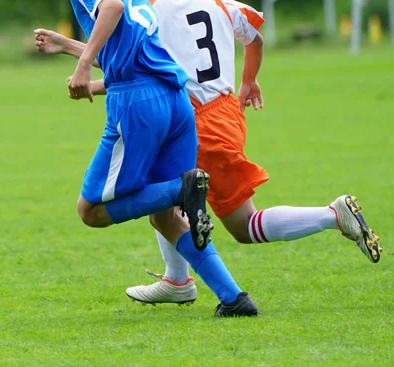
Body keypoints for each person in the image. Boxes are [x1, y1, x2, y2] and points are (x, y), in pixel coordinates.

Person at [36, 0, 382, 314]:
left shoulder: (158, 9)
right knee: (160, 209)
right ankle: (179, 282)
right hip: (225, 110)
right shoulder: (220, 2)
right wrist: (249, 82)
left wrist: (88, 77)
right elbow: (255, 39)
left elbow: (142, 58)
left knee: (239, 223)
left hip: (197, 113)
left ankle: (331, 215)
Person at [36, 0, 259, 317]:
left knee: (90, 211)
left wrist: (83, 62)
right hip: (176, 99)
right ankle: (234, 298)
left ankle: (182, 190)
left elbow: (111, 6)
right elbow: (123, 48)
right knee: (164, 216)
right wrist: (67, 45)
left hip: (138, 103)